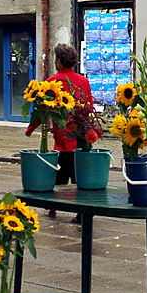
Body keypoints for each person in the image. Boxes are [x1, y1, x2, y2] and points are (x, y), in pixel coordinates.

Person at [26, 43, 92, 218]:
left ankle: (53, 207)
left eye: (56, 58)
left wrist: (31, 129)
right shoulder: (83, 81)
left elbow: (42, 110)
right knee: (79, 177)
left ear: (60, 61)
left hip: (62, 139)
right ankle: (81, 212)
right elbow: (89, 108)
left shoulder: (51, 83)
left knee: (59, 175)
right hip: (81, 138)